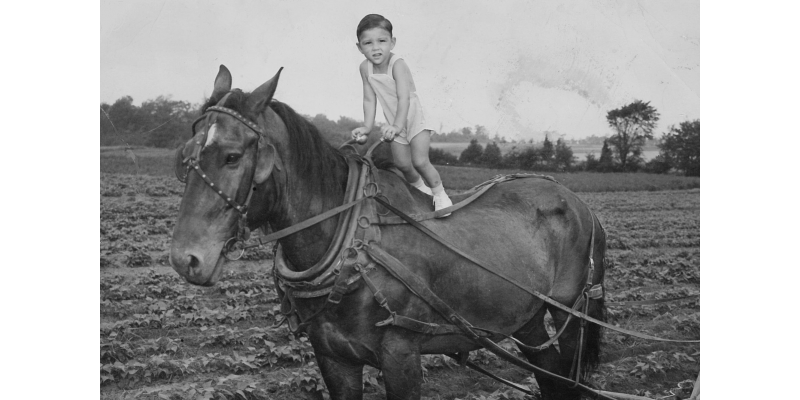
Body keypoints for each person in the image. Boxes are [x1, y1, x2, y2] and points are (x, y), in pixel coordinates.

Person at [350, 14, 453, 216]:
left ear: (392, 42)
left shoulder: (397, 64)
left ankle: (440, 195)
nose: (375, 48)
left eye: (382, 41)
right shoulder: (365, 68)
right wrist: (367, 127)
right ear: (359, 47)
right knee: (402, 164)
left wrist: (397, 126)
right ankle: (422, 191)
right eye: (368, 43)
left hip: (414, 117)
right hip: (394, 121)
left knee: (420, 161)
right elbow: (369, 99)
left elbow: (403, 98)